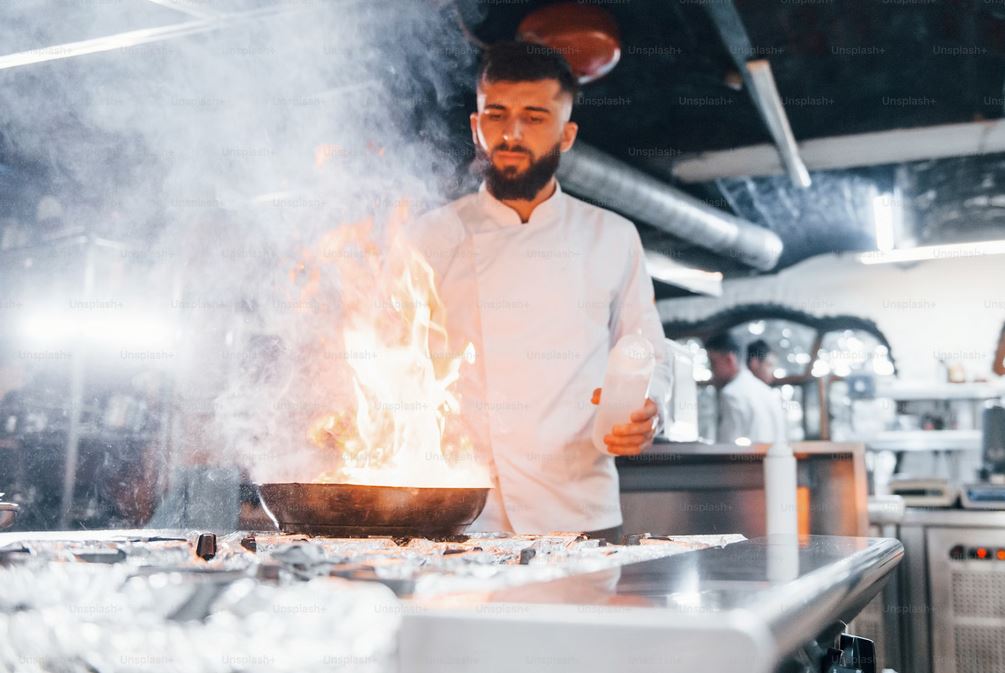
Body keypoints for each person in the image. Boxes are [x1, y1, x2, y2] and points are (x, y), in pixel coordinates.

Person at [409, 42, 671, 541]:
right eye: (496, 115)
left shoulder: (611, 235)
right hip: (459, 514)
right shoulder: (429, 236)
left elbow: (646, 350)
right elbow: (389, 360)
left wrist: (646, 407)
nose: (511, 133)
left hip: (578, 511)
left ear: (566, 134)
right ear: (475, 126)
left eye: (534, 116)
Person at [704, 332, 785, 445]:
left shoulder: (731, 394)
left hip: (744, 462)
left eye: (713, 363)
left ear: (729, 359)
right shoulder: (768, 393)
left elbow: (726, 448)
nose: (711, 370)